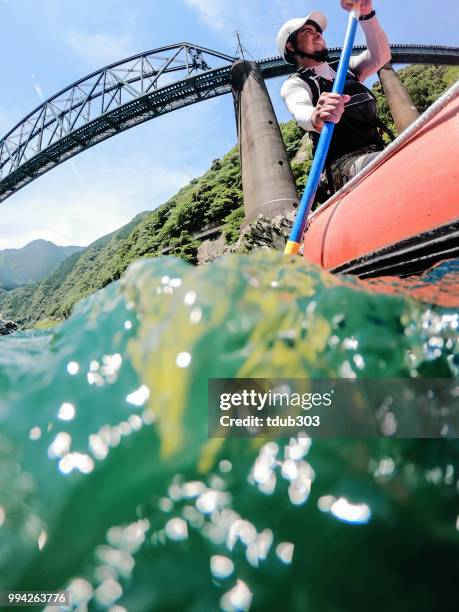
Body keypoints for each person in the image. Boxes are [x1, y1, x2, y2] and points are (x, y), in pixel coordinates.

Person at [277, 1, 392, 194]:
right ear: (291, 46)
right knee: (387, 164)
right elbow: (300, 110)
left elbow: (380, 56)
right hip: (340, 165)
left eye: (317, 31)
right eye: (307, 32)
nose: (317, 33)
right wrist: (317, 116)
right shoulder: (295, 83)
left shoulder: (346, 67)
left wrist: (367, 15)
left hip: (379, 149)